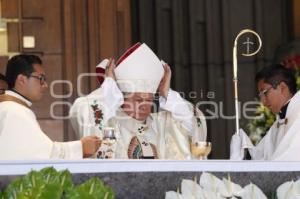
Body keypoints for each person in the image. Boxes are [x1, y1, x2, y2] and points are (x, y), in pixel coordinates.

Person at [70, 43, 207, 159]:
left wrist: (166, 93)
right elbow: (84, 108)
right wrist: (110, 85)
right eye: (138, 99)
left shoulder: (160, 125)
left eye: (149, 100)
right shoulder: (111, 121)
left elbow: (193, 122)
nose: (144, 105)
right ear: (121, 98)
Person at [0, 54, 101, 159]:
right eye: (41, 78)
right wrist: (80, 147)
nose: (45, 85)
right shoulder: (13, 111)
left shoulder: (12, 107)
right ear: (21, 79)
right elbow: (42, 154)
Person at [230, 64, 300, 160]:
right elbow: (262, 156)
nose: (262, 101)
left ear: (282, 88)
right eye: (260, 95)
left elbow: (292, 156)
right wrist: (244, 148)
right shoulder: (279, 122)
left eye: (265, 93)